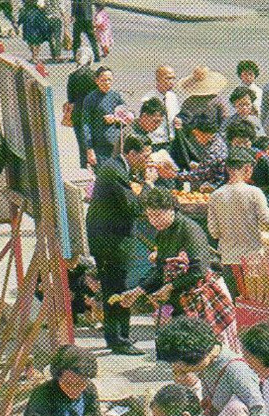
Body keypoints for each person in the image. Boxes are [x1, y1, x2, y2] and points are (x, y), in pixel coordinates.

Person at [114, 187, 238, 351]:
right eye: (150, 216)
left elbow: (198, 270)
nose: (153, 221)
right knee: (190, 352)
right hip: (183, 299)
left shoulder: (190, 230)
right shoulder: (162, 233)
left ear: (171, 209)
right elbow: (160, 270)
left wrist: (170, 287)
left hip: (205, 297)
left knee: (213, 350)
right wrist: (137, 291)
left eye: (157, 215)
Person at [86, 133, 149, 357]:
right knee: (117, 289)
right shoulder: (114, 171)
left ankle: (119, 335)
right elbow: (133, 207)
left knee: (116, 287)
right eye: (144, 156)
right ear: (131, 154)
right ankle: (118, 339)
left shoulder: (117, 167)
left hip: (109, 240)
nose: (146, 161)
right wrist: (148, 185)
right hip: (110, 243)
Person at [207, 149, 269, 299]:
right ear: (248, 169)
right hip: (252, 259)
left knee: (236, 305)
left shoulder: (215, 196)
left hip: (228, 260)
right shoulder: (254, 193)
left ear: (227, 169)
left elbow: (213, 232)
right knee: (254, 307)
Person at [82, 66, 130, 169]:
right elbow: (86, 125)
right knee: (104, 179)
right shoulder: (90, 99)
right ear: (96, 81)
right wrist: (89, 149)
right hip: (100, 147)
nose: (107, 83)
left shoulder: (116, 96)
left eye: (109, 80)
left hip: (117, 146)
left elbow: (127, 116)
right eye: (103, 80)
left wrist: (116, 118)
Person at [169, 115, 227, 188]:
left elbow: (201, 175)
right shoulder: (218, 139)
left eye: (196, 134)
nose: (196, 138)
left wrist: (175, 175)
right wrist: (200, 166)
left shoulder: (214, 149)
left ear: (201, 133)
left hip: (214, 186)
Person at [66, 46, 97, 169]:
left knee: (82, 145)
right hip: (93, 114)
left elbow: (70, 98)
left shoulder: (73, 75)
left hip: (78, 114)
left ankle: (84, 168)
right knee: (93, 144)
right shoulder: (94, 75)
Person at [177, 66, 228, 131]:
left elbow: (184, 119)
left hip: (196, 134)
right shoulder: (218, 100)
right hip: (211, 134)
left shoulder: (189, 101)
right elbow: (224, 119)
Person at [141, 66, 181, 147]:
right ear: (158, 79)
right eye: (168, 78)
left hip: (172, 142)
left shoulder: (173, 97)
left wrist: (178, 121)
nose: (172, 82)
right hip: (155, 143)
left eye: (173, 78)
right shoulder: (148, 99)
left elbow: (176, 116)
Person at [17, 0, 51, 64]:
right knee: (34, 40)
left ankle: (35, 56)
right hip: (32, 14)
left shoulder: (24, 9)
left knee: (34, 40)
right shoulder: (24, 9)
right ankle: (35, 56)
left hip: (34, 14)